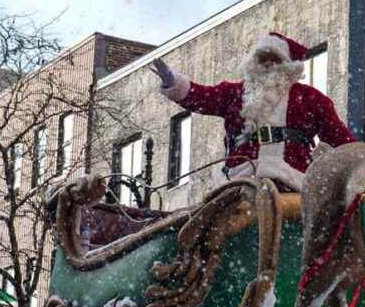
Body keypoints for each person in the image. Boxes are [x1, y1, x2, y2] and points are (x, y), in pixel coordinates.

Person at [151, 32, 354, 191]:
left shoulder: (311, 99)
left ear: (288, 66)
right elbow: (202, 97)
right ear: (252, 62)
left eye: (274, 60)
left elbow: (341, 139)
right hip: (241, 177)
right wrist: (174, 82)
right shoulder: (234, 93)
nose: (267, 64)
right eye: (262, 59)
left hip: (294, 179)